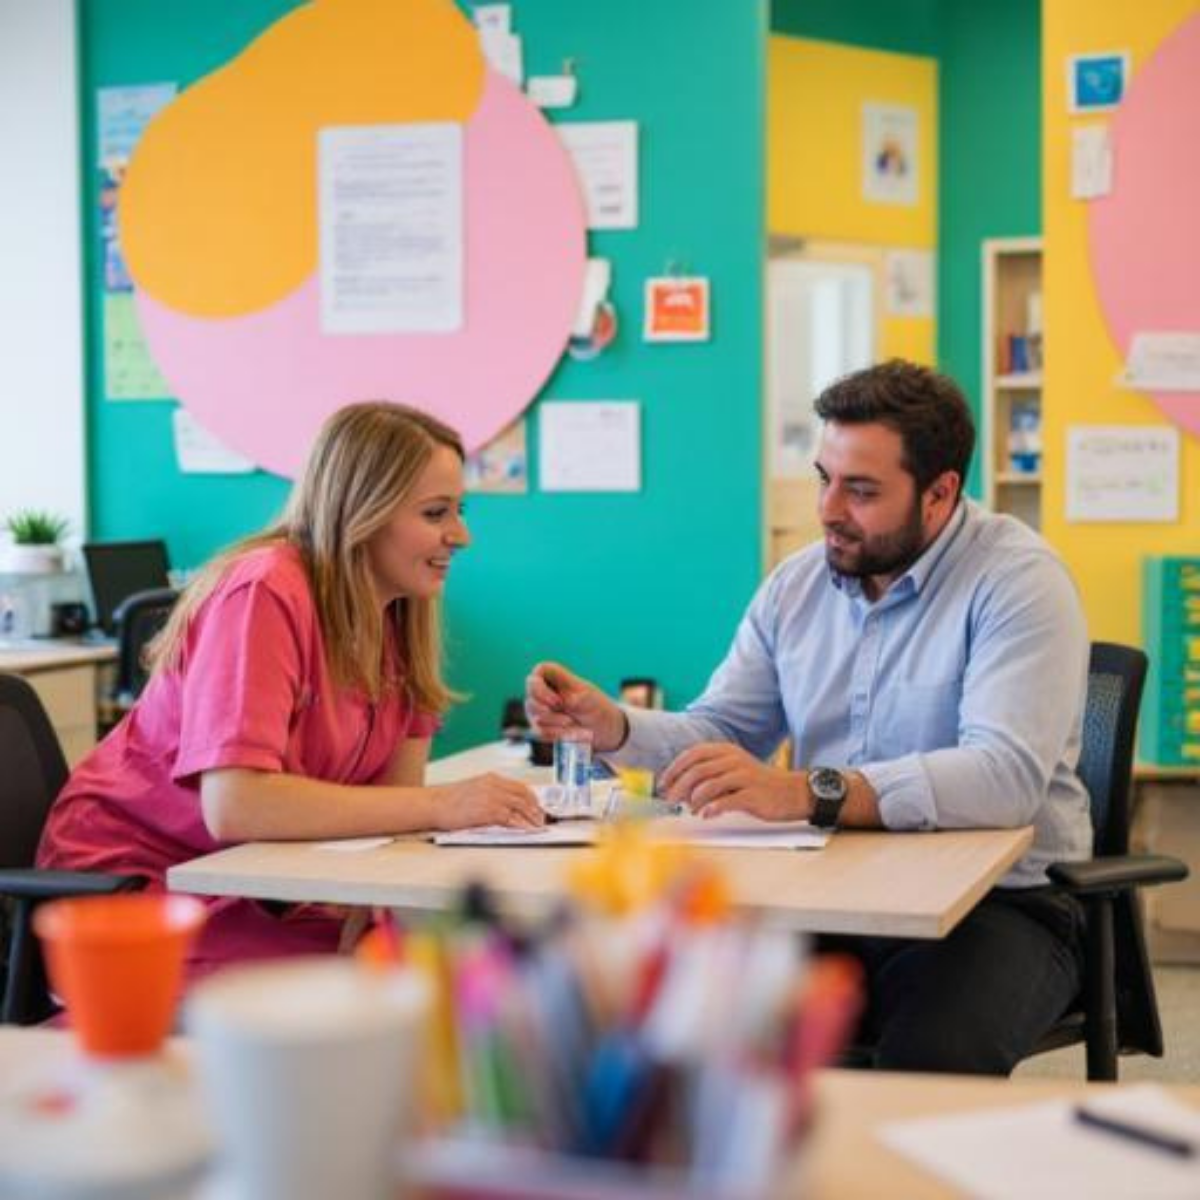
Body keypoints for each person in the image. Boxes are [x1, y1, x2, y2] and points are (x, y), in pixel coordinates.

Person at [526, 360, 1091, 1076]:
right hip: (835, 890)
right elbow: (722, 735)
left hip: (1007, 904)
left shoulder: (1019, 583)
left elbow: (1003, 777)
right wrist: (614, 729)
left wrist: (808, 791)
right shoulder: (799, 583)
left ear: (941, 492)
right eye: (824, 477)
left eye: (860, 491)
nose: (828, 509)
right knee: (683, 1026)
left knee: (929, 1060)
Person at [39, 401, 542, 980]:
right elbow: (236, 805)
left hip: (255, 883)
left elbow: (392, 807)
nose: (461, 535)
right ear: (363, 511)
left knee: (433, 960)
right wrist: (446, 805)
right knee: (375, 990)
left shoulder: (399, 617)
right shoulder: (264, 591)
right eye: (435, 513)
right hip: (132, 888)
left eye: (458, 510)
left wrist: (372, 904)